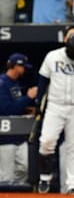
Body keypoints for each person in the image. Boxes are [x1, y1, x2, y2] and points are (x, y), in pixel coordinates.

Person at [36, 26, 74, 195]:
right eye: (71, 34)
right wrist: (39, 103)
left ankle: (73, 185)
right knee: (46, 141)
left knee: (73, 146)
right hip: (55, 105)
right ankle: (45, 178)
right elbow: (43, 80)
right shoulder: (53, 56)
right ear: (65, 39)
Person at [0, 53, 37, 185]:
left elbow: (16, 105)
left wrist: (26, 109)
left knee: (24, 169)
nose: (25, 70)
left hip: (19, 136)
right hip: (5, 137)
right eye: (23, 67)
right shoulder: (2, 83)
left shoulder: (15, 83)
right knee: (6, 177)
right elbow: (5, 109)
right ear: (16, 66)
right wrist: (28, 97)